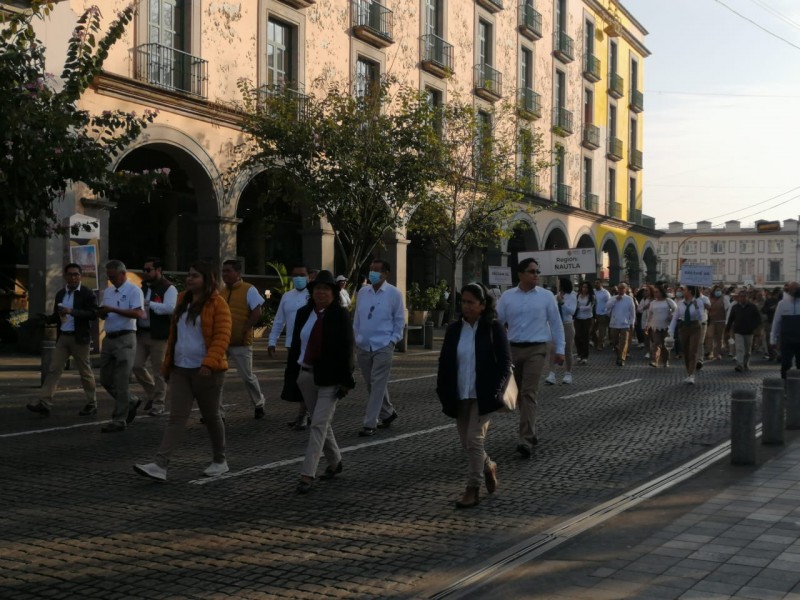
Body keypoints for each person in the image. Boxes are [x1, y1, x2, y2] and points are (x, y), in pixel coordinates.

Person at [134, 260, 232, 481]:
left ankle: (220, 459)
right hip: (180, 369)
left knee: (212, 416)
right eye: (189, 275)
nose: (189, 279)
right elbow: (174, 335)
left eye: (195, 275)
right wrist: (167, 365)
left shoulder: (218, 304)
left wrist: (209, 363)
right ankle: (160, 465)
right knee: (176, 417)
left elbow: (222, 337)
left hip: (207, 370)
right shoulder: (181, 300)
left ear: (208, 280)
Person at [436, 283, 512, 508]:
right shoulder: (454, 329)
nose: (466, 306)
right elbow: (445, 362)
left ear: (482, 304)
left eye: (471, 302)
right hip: (460, 394)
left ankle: (472, 488)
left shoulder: (493, 327)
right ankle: (488, 465)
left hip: (483, 394)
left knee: (474, 439)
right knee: (467, 443)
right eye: (463, 302)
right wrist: (442, 389)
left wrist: (495, 389)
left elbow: (506, 363)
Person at [286, 270, 355, 494]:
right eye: (317, 288)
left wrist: (346, 380)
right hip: (306, 375)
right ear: (312, 292)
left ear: (334, 293)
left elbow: (347, 349)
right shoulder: (304, 313)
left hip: (330, 379)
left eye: (326, 289)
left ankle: (307, 474)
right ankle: (335, 462)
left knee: (317, 425)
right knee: (320, 421)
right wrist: (292, 377)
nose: (321, 292)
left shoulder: (340, 315)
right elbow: (296, 345)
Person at [496, 258, 564, 458]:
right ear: (520, 274)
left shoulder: (546, 296)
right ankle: (531, 431)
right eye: (532, 271)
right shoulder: (507, 297)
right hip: (513, 349)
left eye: (537, 271)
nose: (536, 275)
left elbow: (556, 323)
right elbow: (498, 323)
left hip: (537, 349)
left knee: (528, 393)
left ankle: (525, 439)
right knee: (517, 395)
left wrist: (559, 349)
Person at [28, 263, 98, 417]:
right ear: (65, 276)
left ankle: (91, 403)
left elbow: (93, 314)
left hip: (79, 338)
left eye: (76, 274)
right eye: (70, 274)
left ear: (80, 276)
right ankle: (45, 402)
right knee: (54, 369)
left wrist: (72, 311)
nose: (73, 277)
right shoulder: (61, 294)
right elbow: (57, 315)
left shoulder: (87, 293)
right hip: (63, 337)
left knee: (85, 371)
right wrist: (46, 319)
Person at [353, 259, 405, 436]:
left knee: (377, 384)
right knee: (371, 383)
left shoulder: (394, 294)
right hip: (364, 344)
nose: (373, 274)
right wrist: (356, 337)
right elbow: (357, 318)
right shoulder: (362, 292)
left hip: (383, 345)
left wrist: (393, 340)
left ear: (386, 274)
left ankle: (370, 423)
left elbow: (399, 321)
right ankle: (388, 413)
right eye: (371, 270)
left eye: (377, 271)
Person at [97, 260, 146, 432]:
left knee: (121, 379)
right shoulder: (109, 291)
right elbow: (106, 312)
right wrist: (103, 312)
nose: (111, 280)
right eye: (109, 277)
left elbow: (138, 313)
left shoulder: (134, 290)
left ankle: (119, 419)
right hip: (109, 338)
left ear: (123, 274)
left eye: (114, 277)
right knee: (105, 379)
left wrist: (113, 309)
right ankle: (130, 400)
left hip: (126, 338)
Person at [221, 259, 266, 419]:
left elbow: (257, 312)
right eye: (223, 271)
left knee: (247, 376)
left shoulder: (249, 289)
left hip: (241, 343)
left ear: (238, 273)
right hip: (222, 342)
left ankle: (259, 402)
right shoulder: (222, 292)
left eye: (228, 271)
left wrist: (245, 329)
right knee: (217, 376)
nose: (224, 274)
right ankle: (217, 412)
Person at [132, 257, 177, 417]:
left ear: (159, 271)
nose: (145, 273)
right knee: (136, 365)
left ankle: (159, 404)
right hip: (141, 333)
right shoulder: (142, 287)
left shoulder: (168, 288)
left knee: (159, 371)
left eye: (148, 270)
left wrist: (150, 304)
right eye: (144, 270)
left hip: (159, 335)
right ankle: (152, 394)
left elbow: (171, 308)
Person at [269, 264, 311, 430]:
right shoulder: (287, 296)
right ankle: (304, 412)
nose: (298, 278)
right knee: (296, 380)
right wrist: (272, 341)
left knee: (307, 380)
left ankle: (304, 414)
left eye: (302, 274)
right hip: (292, 345)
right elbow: (279, 320)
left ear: (308, 276)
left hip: (309, 344)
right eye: (295, 275)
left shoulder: (313, 295)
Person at [668, 285, 705, 384]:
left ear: (690, 291)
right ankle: (689, 372)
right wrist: (670, 331)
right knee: (686, 351)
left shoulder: (699, 302)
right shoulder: (680, 303)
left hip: (695, 327)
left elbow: (701, 318)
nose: (681, 292)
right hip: (683, 327)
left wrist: (697, 307)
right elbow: (675, 318)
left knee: (693, 351)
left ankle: (692, 375)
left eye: (684, 290)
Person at [545, 278, 576, 385]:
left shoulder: (572, 295)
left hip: (567, 325)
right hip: (556, 326)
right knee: (553, 349)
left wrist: (562, 302)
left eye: (559, 282)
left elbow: (572, 311)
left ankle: (568, 374)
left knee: (567, 350)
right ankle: (552, 374)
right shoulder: (555, 296)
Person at [725, 289, 762, 372]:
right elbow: (731, 319)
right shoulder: (735, 307)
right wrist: (727, 330)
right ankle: (740, 364)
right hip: (738, 331)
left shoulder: (753, 307)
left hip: (749, 332)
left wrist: (756, 329)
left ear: (747, 297)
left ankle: (745, 363)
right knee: (740, 348)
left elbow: (758, 319)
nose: (742, 298)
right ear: (739, 297)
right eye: (741, 296)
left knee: (748, 351)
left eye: (744, 296)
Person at [770, 281, 800, 379]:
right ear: (789, 290)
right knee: (786, 364)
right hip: (787, 340)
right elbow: (776, 322)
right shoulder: (782, 304)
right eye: (795, 289)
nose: (797, 291)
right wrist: (773, 339)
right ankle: (785, 384)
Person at [606, 282, 636, 366]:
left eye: (622, 288)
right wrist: (616, 300)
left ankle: (621, 358)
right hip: (614, 324)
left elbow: (632, 312)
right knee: (614, 342)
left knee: (623, 342)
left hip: (625, 324)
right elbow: (607, 306)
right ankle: (619, 354)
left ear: (625, 289)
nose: (620, 290)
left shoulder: (629, 299)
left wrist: (632, 323)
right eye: (619, 288)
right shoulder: (613, 298)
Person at [645, 284, 675, 368]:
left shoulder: (668, 301)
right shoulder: (653, 303)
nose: (655, 294)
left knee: (665, 345)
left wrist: (671, 315)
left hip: (666, 326)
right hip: (655, 326)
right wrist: (647, 325)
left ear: (662, 292)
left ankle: (665, 361)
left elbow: (676, 310)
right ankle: (654, 361)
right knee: (656, 343)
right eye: (654, 292)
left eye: (657, 292)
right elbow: (650, 315)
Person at [704, 285, 729, 361]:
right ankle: (710, 352)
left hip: (721, 321)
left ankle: (718, 353)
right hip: (711, 320)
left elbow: (727, 309)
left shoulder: (724, 298)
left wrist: (727, 321)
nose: (718, 292)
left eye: (719, 290)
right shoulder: (709, 298)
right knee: (710, 336)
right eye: (716, 290)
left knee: (719, 338)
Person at [573, 281, 595, 365]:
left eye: (586, 287)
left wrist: (579, 307)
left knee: (585, 337)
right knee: (577, 336)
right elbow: (575, 305)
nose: (584, 289)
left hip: (587, 319)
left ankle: (585, 356)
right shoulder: (577, 295)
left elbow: (589, 308)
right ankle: (579, 353)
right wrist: (578, 308)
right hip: (578, 318)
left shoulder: (591, 296)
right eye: (583, 287)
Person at [592, 280, 611, 350]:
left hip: (602, 314)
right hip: (593, 314)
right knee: (592, 330)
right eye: (595, 283)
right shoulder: (593, 292)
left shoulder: (605, 293)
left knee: (601, 330)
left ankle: (600, 344)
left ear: (601, 284)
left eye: (597, 283)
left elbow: (609, 303)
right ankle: (596, 342)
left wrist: (606, 312)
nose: (596, 284)